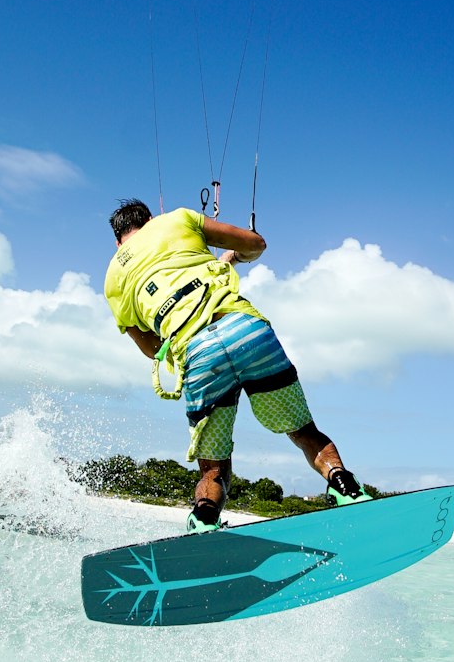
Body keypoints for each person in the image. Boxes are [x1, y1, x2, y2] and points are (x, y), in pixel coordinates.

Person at [104, 199, 370, 533]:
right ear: (150, 220)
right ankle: (346, 488)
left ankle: (203, 520)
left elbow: (150, 348)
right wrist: (234, 257)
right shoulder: (177, 219)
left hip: (198, 355)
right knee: (304, 432)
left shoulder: (112, 280)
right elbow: (255, 244)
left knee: (213, 470)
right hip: (247, 330)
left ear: (117, 242)